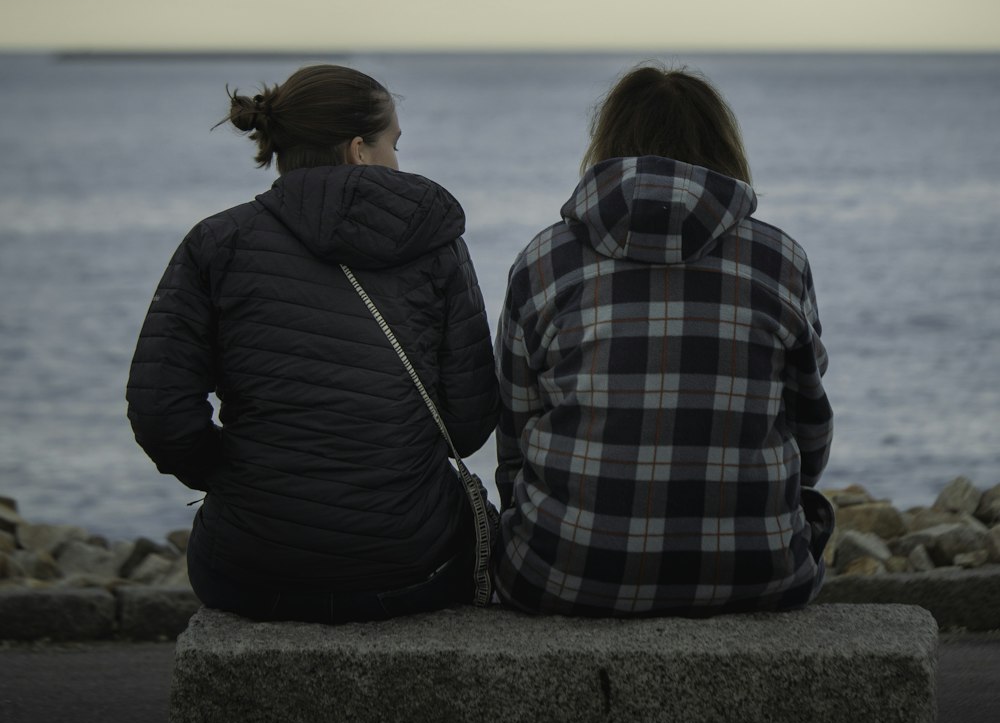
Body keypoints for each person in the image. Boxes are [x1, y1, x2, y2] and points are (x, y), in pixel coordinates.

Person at [127, 64, 498, 625]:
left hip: (252, 570)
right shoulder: (437, 245)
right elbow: (468, 423)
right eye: (393, 144)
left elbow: (161, 414)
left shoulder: (216, 242)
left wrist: (243, 476)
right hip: (409, 564)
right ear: (358, 151)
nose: (399, 159)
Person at [494, 64, 834, 617]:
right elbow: (809, 432)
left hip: (559, 574)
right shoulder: (781, 260)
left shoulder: (542, 260)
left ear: (607, 145)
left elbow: (514, 435)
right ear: (723, 146)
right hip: (759, 574)